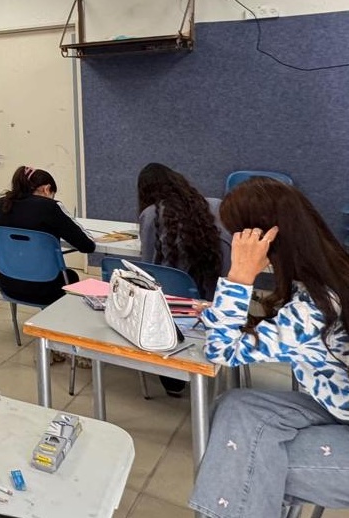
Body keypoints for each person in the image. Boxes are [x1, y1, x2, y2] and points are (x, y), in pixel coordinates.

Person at [189, 178, 349, 517]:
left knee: (243, 464)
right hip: (336, 409)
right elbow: (282, 335)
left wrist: (240, 275)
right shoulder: (330, 276)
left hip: (340, 417)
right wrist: (226, 311)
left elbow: (222, 351)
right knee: (235, 406)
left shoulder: (317, 307)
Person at [0, 166, 94, 305]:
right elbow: (87, 245)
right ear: (47, 189)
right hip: (47, 289)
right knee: (71, 276)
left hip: (9, 285)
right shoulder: (51, 207)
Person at [137, 162, 231, 297]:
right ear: (179, 182)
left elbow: (147, 267)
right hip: (220, 294)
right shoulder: (217, 205)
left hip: (171, 297)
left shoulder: (150, 215)